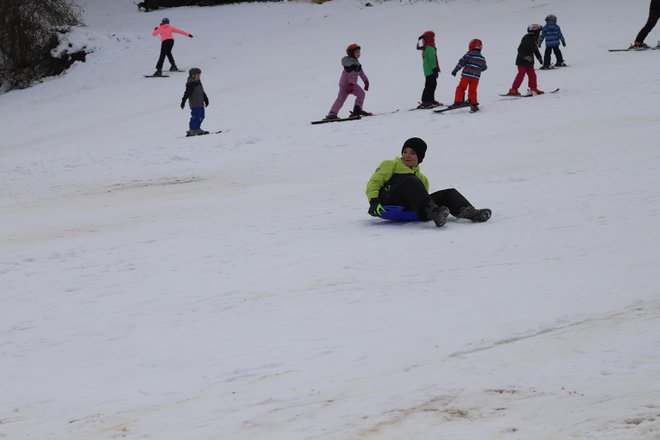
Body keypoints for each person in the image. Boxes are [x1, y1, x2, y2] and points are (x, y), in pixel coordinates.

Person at [365, 137, 491, 228]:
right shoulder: (391, 164)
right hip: (388, 200)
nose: (407, 156)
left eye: (412, 153)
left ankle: (468, 212)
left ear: (420, 157)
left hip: (409, 207)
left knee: (448, 193)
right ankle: (434, 212)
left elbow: (422, 198)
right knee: (410, 180)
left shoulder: (422, 178)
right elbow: (374, 182)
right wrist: (374, 202)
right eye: (405, 152)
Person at [324, 44, 371, 121]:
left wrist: (366, 81)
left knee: (354, 95)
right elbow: (351, 75)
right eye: (356, 52)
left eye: (359, 52)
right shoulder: (350, 63)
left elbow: (361, 73)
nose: (358, 54)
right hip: (347, 84)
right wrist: (351, 85)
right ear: (351, 53)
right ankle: (334, 114)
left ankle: (355, 110)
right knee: (354, 96)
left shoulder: (356, 63)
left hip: (350, 84)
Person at [450, 39, 487, 112]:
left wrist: (455, 70)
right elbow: (484, 67)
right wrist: (477, 69)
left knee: (461, 88)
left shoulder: (468, 55)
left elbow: (461, 63)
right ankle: (474, 104)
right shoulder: (482, 58)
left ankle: (458, 102)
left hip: (466, 76)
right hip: (476, 78)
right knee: (472, 91)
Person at [506, 24, 544, 96]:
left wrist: (539, 58)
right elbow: (520, 49)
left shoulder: (534, 39)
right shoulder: (526, 38)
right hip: (522, 61)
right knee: (521, 74)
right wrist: (525, 56)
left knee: (532, 75)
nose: (539, 34)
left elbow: (535, 50)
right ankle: (513, 89)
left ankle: (533, 88)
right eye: (538, 32)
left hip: (530, 61)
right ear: (534, 32)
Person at [416, 31, 442, 109]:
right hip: (431, 70)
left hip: (428, 70)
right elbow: (432, 59)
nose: (434, 39)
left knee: (432, 85)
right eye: (433, 38)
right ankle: (425, 101)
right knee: (429, 86)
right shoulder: (430, 48)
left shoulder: (427, 47)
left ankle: (431, 100)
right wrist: (434, 69)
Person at [180, 67, 209, 136]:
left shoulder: (198, 82)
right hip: (195, 103)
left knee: (201, 116)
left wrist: (206, 99)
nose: (199, 77)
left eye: (199, 75)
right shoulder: (191, 84)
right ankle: (192, 129)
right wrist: (183, 101)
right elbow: (187, 93)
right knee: (196, 116)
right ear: (193, 76)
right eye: (197, 75)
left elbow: (202, 92)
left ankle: (197, 129)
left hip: (200, 103)